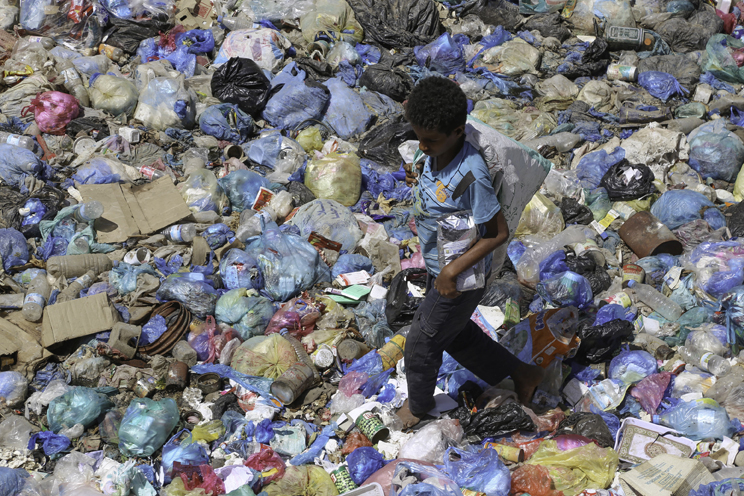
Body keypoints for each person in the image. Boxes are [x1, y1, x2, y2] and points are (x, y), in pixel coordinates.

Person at [397, 76, 545, 427]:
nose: (423, 145)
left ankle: (418, 408)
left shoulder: (471, 173)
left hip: (462, 272)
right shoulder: (432, 150)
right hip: (441, 262)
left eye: (430, 140)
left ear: (458, 131)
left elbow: (497, 233)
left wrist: (450, 273)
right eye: (419, 137)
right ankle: (524, 374)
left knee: (421, 343)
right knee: (456, 333)